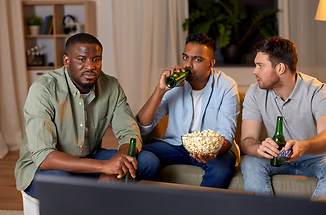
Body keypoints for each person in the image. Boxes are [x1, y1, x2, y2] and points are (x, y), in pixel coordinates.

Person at [15, 33, 159, 199]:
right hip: (44, 168)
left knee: (149, 161)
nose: (90, 66)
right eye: (82, 59)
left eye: (96, 59)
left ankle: (133, 213)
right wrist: (103, 167)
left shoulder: (111, 86)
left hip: (89, 158)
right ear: (67, 61)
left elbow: (130, 133)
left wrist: (118, 163)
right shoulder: (44, 89)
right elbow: (44, 157)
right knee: (61, 180)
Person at [240, 36, 326, 204]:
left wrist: (303, 146)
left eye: (260, 66)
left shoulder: (318, 90)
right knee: (250, 162)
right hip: (277, 157)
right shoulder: (255, 93)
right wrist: (259, 148)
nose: (255, 71)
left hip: (316, 157)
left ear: (280, 68)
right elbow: (247, 140)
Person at [136, 33, 240, 189]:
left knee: (220, 170)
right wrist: (160, 90)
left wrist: (211, 151)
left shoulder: (227, 86)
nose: (188, 65)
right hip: (176, 145)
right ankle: (156, 206)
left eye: (197, 59)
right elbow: (143, 126)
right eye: (185, 57)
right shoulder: (174, 83)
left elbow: (226, 135)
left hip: (213, 150)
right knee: (141, 157)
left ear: (211, 64)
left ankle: (197, 212)